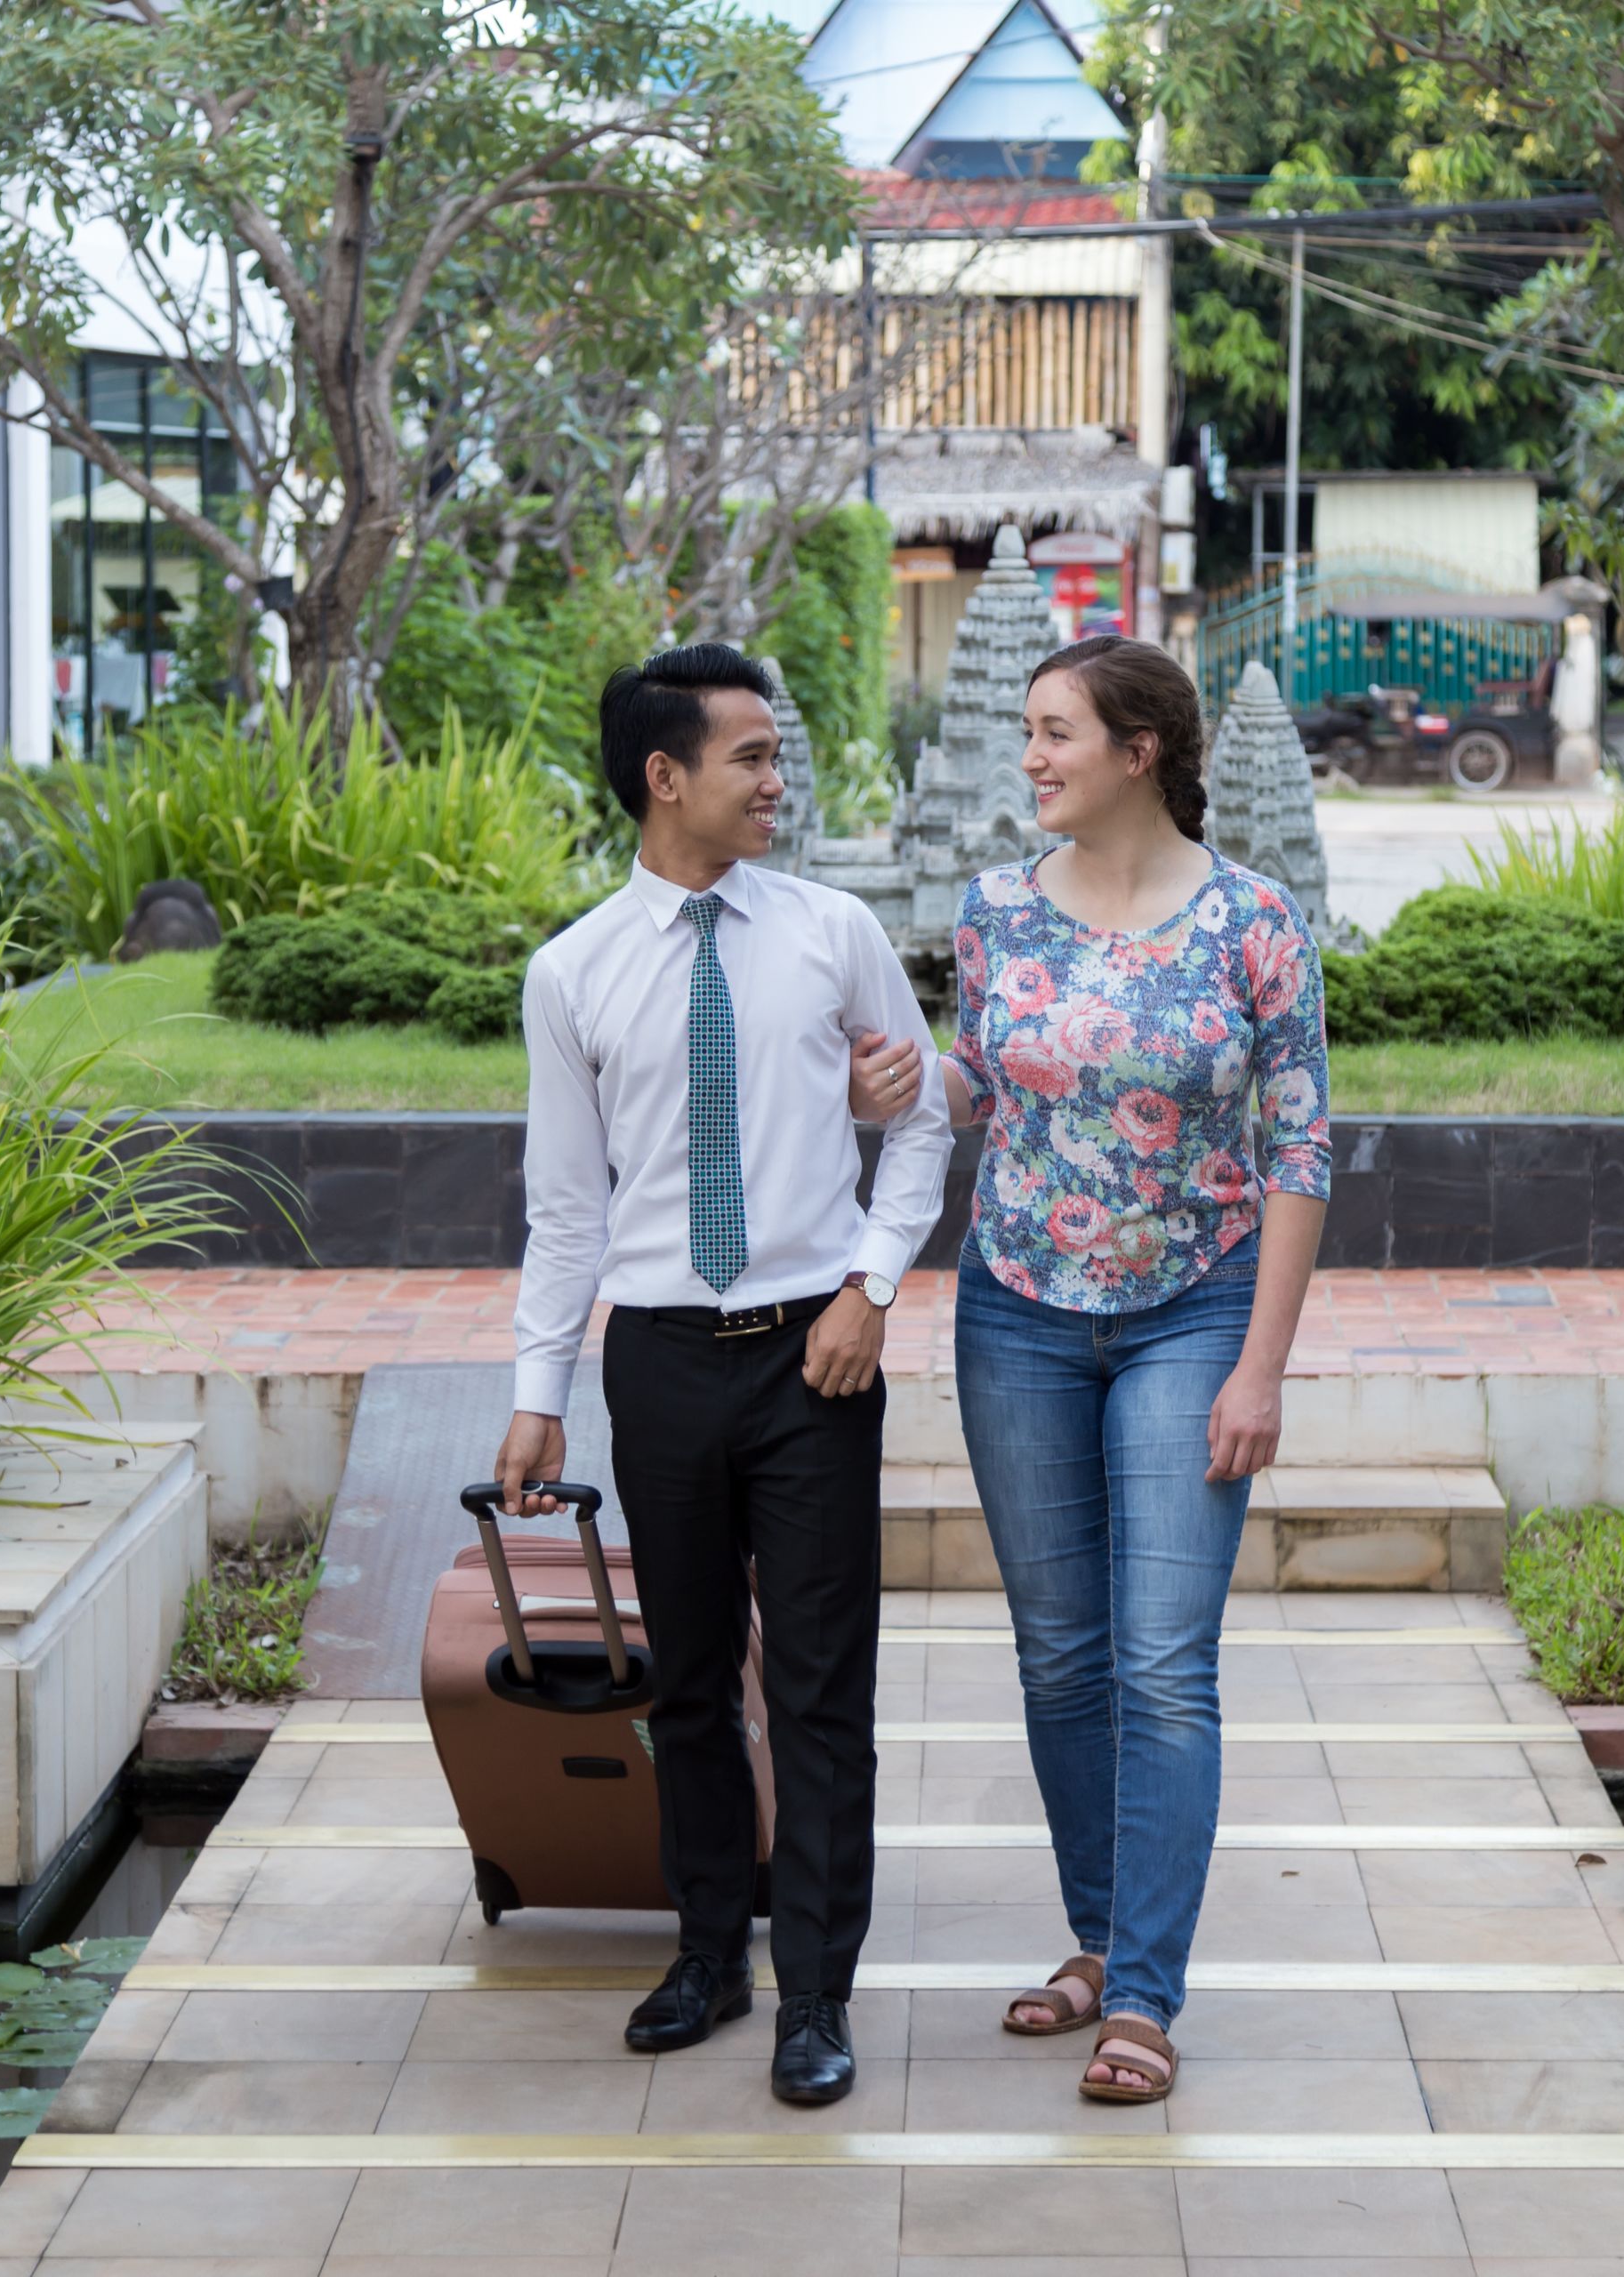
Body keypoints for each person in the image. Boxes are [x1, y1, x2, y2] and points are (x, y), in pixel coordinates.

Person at [851, 633, 1328, 2104]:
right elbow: (987, 1084)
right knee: (1060, 1656)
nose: (1033, 758)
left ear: (1141, 750)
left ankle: (1144, 1998)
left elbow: (1300, 1147)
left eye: (1057, 733)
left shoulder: (1256, 923)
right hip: (1017, 1309)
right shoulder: (999, 912)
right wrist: (906, 1081)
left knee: (1162, 1665)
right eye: (1030, 733)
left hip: (1197, 1305)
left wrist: (1262, 1369)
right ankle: (1102, 1940)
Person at [494, 643, 952, 2107]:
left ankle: (816, 1993)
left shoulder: (832, 932)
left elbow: (928, 1120)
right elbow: (565, 1205)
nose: (779, 778)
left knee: (823, 1693)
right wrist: (537, 1386)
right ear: (665, 777)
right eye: (751, 756)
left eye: (779, 752)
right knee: (687, 1682)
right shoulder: (570, 973)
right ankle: (710, 1951)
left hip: (817, 1355)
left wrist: (872, 1287)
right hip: (664, 1365)